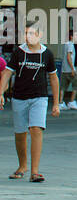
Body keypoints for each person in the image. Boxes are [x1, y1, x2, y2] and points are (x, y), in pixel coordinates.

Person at [0, 18, 61, 182]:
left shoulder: (46, 54)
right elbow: (7, 73)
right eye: (26, 33)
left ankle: (35, 171)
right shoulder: (19, 52)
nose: (28, 37)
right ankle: (22, 166)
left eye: (32, 33)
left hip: (39, 97)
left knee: (36, 129)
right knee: (20, 134)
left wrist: (56, 103)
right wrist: (0, 93)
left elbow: (54, 79)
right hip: (19, 97)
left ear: (40, 35)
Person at [61, 31, 77, 110]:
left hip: (64, 69)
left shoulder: (65, 44)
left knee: (63, 87)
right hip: (70, 70)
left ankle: (60, 103)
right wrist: (73, 68)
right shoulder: (70, 44)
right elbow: (68, 57)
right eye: (76, 35)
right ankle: (72, 102)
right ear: (71, 36)